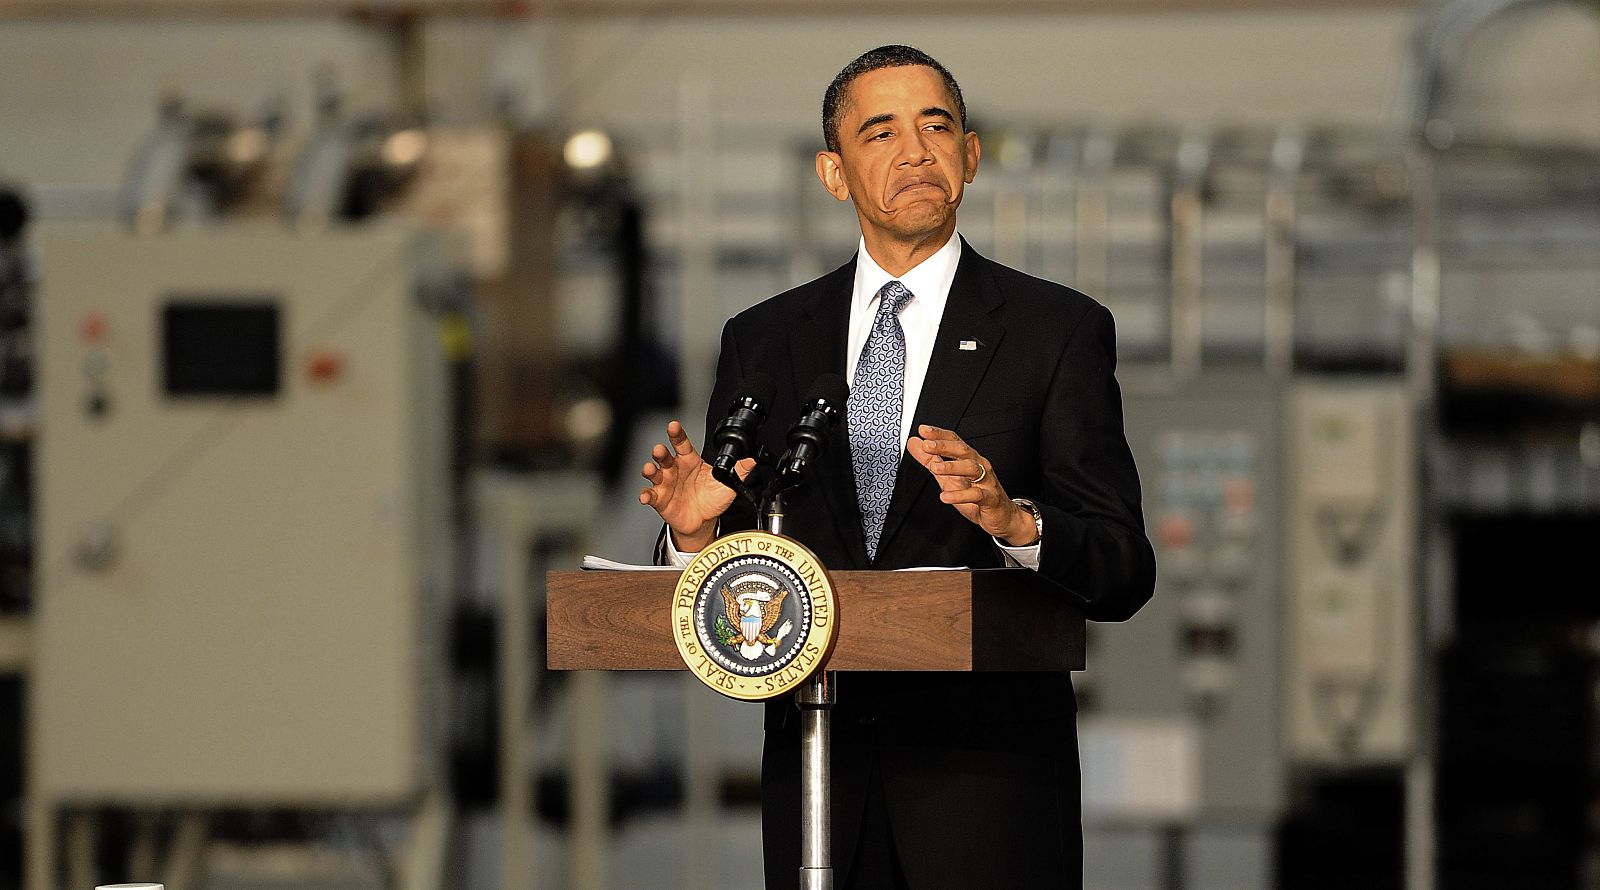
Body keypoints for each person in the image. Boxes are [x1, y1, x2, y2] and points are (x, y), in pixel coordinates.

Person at [639, 44, 1156, 890]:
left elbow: (1124, 568)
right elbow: (746, 590)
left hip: (990, 797)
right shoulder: (764, 339)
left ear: (971, 156)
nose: (915, 152)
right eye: (881, 133)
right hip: (820, 787)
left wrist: (1016, 523)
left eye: (936, 128)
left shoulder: (1054, 331)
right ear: (833, 173)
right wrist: (695, 539)